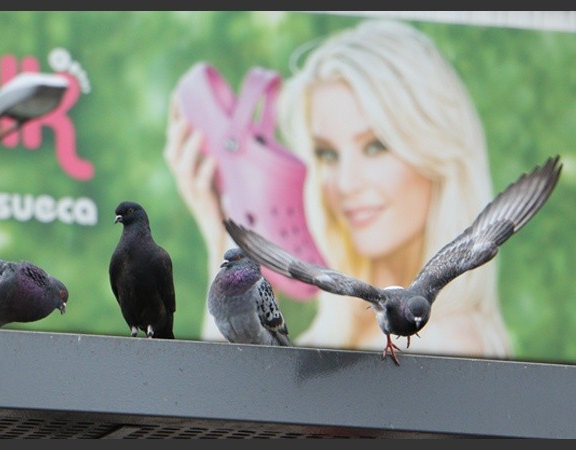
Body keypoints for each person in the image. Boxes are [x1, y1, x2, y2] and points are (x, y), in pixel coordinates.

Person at [163, 19, 512, 358]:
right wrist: (221, 241)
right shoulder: (338, 330)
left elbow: (235, 406)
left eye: (375, 146)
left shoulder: (445, 344)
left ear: (435, 151)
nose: (345, 184)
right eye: (327, 154)